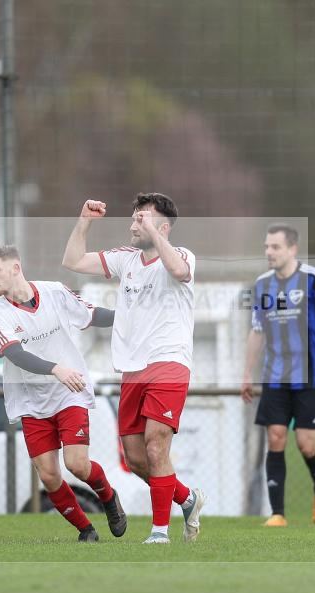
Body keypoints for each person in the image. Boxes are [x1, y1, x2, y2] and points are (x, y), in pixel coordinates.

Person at [62, 193, 205, 544]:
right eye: (134, 217)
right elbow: (73, 260)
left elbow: (177, 270)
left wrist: (155, 234)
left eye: (143, 218)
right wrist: (85, 221)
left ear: (164, 227)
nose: (134, 224)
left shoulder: (181, 255)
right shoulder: (126, 260)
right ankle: (187, 498)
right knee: (138, 459)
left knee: (157, 446)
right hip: (133, 370)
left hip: (170, 362)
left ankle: (160, 532)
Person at [0, 245, 127, 543]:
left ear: (15, 268)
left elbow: (92, 315)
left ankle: (109, 498)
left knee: (77, 464)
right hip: (31, 402)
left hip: (68, 392)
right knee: (48, 475)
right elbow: (16, 355)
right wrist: (55, 369)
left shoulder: (54, 292)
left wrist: (128, 315)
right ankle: (86, 530)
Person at [241, 224, 315, 526]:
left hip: (311, 376)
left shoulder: (313, 279)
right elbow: (257, 330)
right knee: (275, 437)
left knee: (306, 444)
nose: (269, 252)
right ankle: (278, 514)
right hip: (275, 376)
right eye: (266, 247)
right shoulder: (261, 285)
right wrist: (247, 372)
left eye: (275, 247)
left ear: (292, 250)